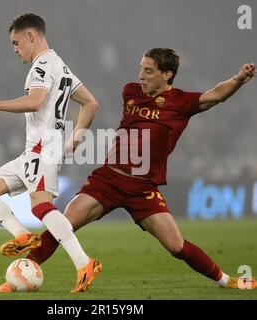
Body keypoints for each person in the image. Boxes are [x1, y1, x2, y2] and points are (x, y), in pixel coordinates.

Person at [25, 48, 256, 289]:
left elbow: (216, 95)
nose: (141, 76)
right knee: (62, 225)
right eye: (140, 69)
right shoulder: (131, 92)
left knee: (176, 246)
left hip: (143, 188)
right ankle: (23, 272)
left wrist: (238, 79)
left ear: (167, 74)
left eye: (148, 71)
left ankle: (226, 280)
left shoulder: (181, 102)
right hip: (108, 179)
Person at [0, 13, 102, 293]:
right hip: (34, 151)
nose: (15, 49)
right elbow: (91, 103)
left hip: (42, 149)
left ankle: (84, 263)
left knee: (40, 206)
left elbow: (35, 102)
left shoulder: (42, 64)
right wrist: (76, 137)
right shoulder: (60, 65)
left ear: (31, 36)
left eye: (16, 42)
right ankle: (23, 235)